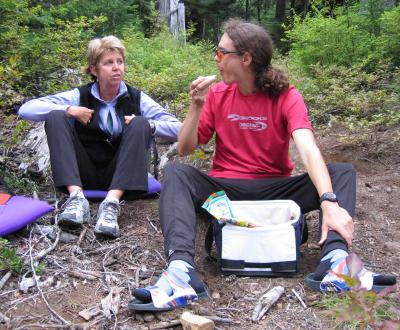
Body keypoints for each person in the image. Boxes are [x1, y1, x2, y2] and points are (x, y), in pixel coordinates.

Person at [131, 19, 396, 308]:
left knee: (342, 172)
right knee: (176, 173)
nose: (216, 60)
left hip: (276, 190)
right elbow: (185, 148)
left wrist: (329, 201)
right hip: (225, 190)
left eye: (221, 53)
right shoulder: (218, 94)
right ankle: (180, 272)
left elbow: (307, 147)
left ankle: (336, 262)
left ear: (246, 59)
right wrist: (196, 105)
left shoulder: (286, 96)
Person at [18, 36, 181, 238]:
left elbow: (180, 130)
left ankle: (111, 204)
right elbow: (26, 109)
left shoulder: (137, 98)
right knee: (56, 116)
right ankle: (76, 199)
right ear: (94, 70)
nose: (116, 68)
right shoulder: (79, 96)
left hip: (123, 177)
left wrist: (151, 125)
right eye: (108, 63)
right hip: (84, 173)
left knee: (141, 122)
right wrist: (70, 110)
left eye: (119, 62)